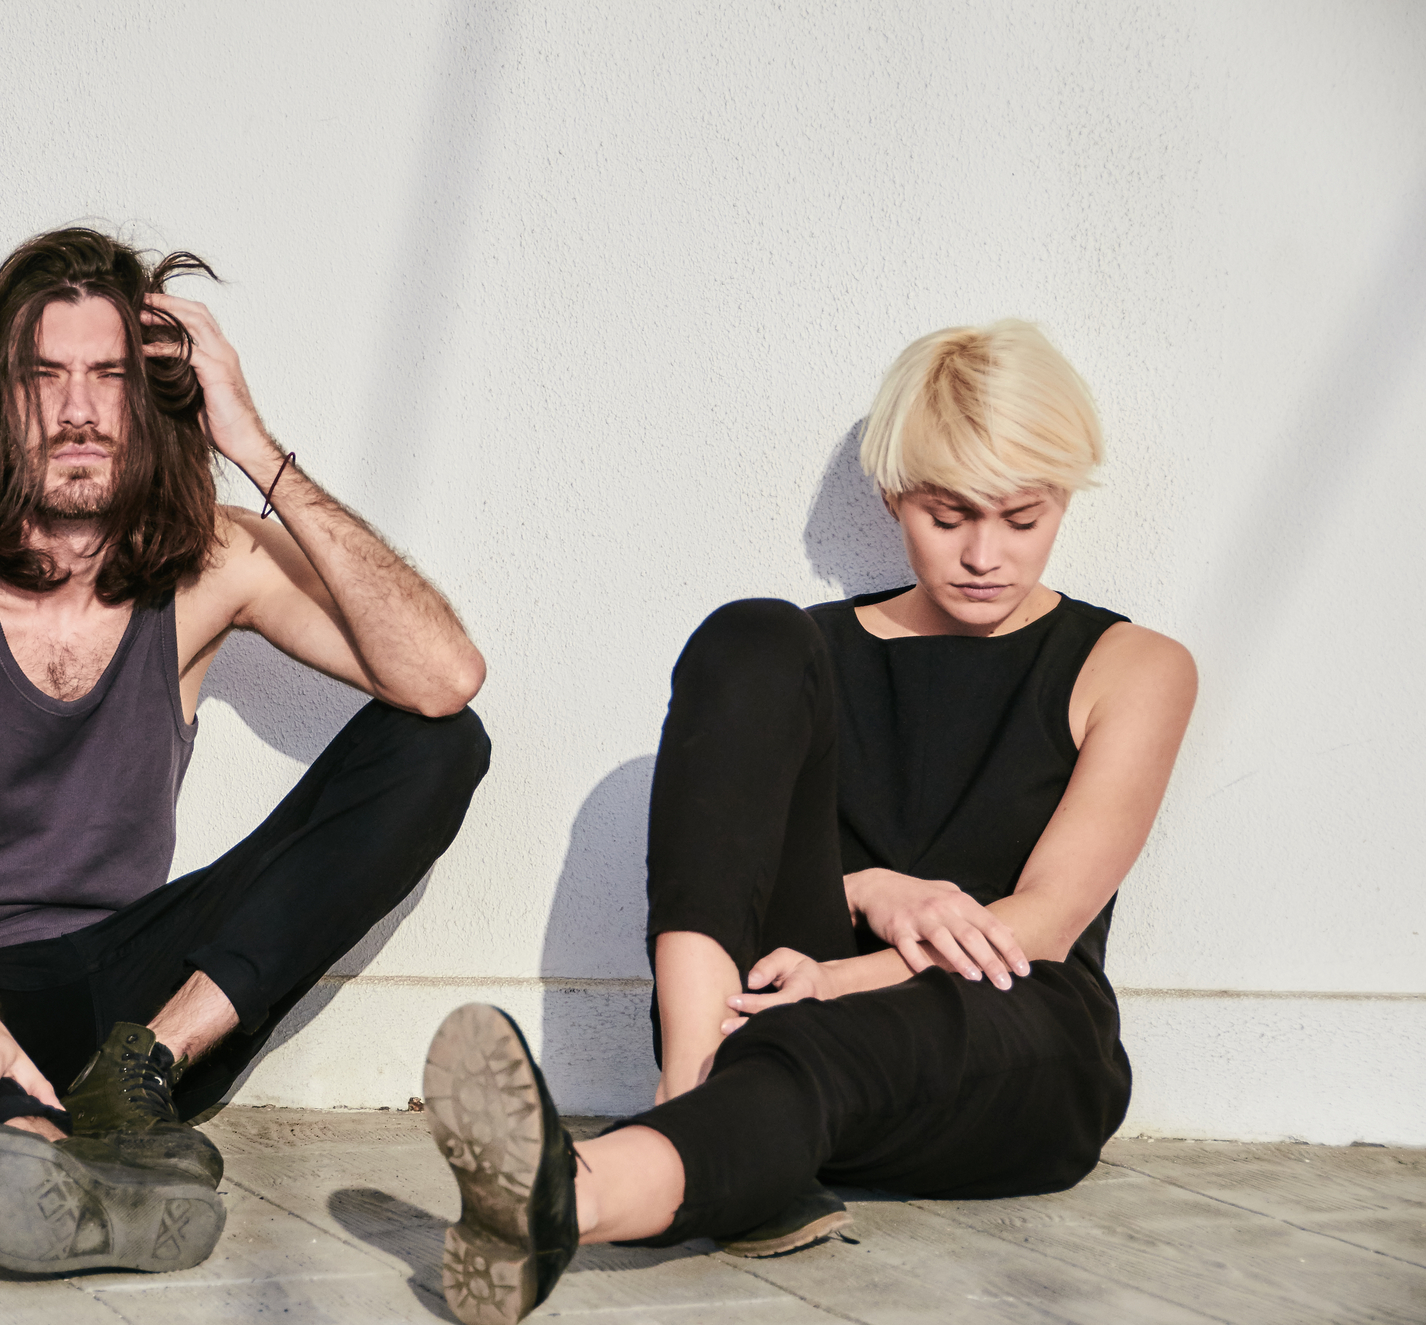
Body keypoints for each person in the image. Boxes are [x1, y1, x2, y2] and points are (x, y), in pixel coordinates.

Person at [421, 320, 1197, 1325]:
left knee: (808, 1052)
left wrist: (834, 976)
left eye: (1020, 516)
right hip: (765, 1009)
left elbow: (1038, 925)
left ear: (1060, 499)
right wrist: (862, 888)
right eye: (946, 514)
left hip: (1012, 1036)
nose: (980, 553)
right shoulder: (810, 654)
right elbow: (738, 863)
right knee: (746, 632)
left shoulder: (1131, 665)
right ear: (893, 499)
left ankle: (602, 1170)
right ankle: (672, 1110)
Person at [0, 227, 490, 1275]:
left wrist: (252, 441)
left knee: (438, 744)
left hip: (134, 993)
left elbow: (443, 675)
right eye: (45, 375)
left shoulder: (213, 557)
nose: (77, 408)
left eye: (109, 376)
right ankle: (41, 1155)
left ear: (155, 391)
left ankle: (129, 1083)